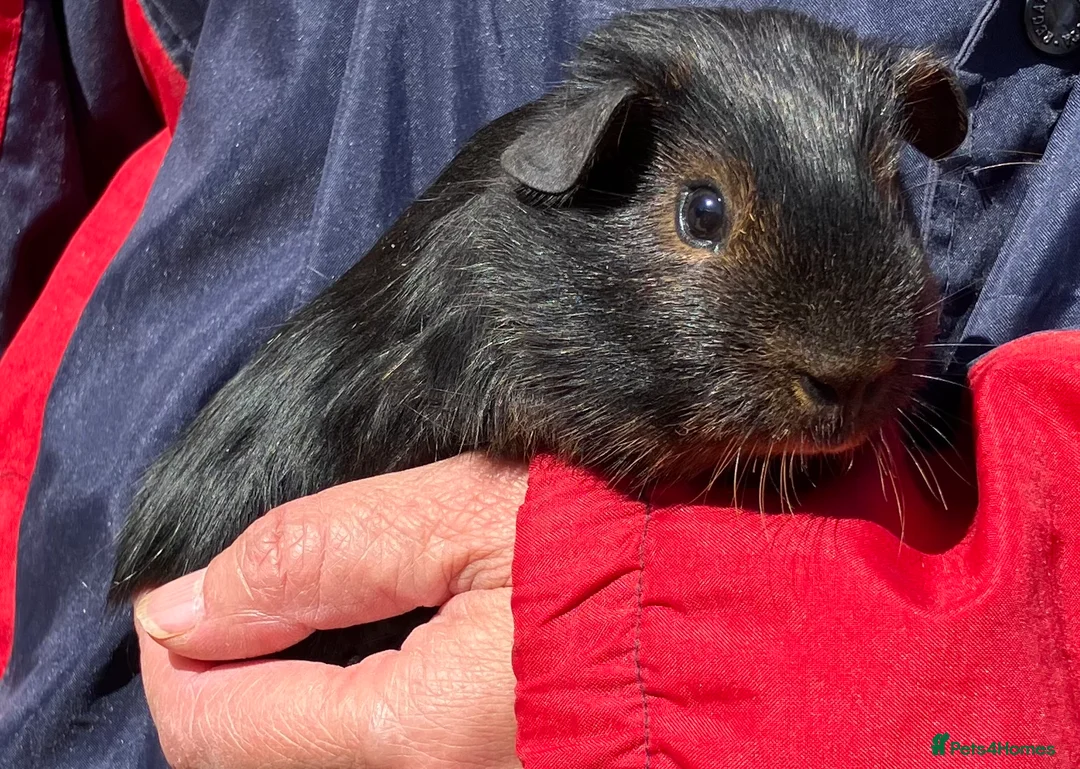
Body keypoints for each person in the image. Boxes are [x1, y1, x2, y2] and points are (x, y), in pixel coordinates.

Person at [1, 0, 1078, 767]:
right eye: (705, 216)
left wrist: (658, 647)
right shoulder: (501, 277)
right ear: (588, 161)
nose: (853, 351)